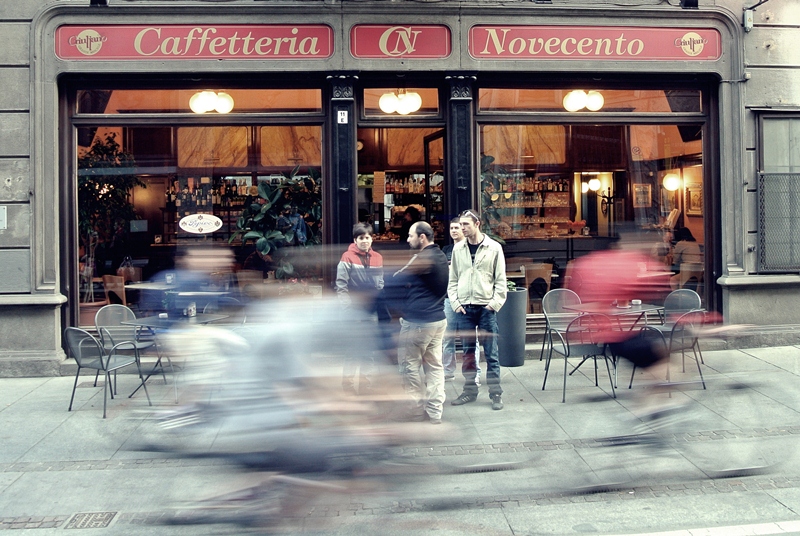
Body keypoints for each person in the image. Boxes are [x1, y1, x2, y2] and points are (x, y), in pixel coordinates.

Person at [448, 209, 507, 410]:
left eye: (466, 224)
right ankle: (469, 391)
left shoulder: (494, 248)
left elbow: (501, 280)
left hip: (485, 308)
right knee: (467, 352)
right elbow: (453, 279)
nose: (462, 228)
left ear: (477, 224)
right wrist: (456, 303)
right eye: (460, 225)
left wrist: (493, 304)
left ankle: (496, 393)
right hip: (465, 307)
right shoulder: (458, 249)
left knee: (491, 353)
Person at [391, 221, 449, 424]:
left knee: (409, 366)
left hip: (417, 322)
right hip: (438, 320)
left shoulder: (423, 257)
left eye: (410, 236)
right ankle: (435, 412)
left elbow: (396, 279)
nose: (408, 240)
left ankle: (415, 410)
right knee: (434, 367)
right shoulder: (441, 255)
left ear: (422, 237)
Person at [335, 223, 385, 395]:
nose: (365, 241)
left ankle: (366, 386)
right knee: (352, 349)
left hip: (371, 310)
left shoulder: (377, 257)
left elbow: (380, 283)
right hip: (353, 310)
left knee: (369, 349)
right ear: (355, 240)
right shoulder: (346, 257)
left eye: (368, 237)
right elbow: (341, 285)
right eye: (361, 238)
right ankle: (348, 386)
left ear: (372, 238)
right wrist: (348, 309)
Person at [441, 217, 480, 383]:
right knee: (447, 336)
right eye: (451, 228)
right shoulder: (447, 249)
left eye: (457, 227)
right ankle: (448, 370)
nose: (454, 231)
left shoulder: (470, 249)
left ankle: (474, 373)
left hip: (468, 298)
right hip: (449, 298)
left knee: (470, 338)